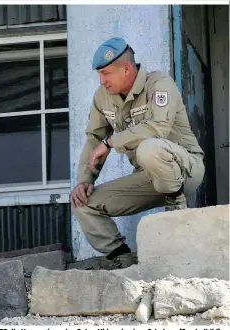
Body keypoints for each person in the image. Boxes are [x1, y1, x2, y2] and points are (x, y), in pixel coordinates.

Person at [71, 37, 205, 268]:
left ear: (127, 68)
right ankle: (123, 258)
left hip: (185, 169)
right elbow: (94, 138)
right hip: (147, 177)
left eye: (106, 73)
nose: (102, 81)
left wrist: (111, 142)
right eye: (99, 75)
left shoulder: (159, 84)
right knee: (82, 202)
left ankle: (176, 205)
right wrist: (84, 180)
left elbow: (158, 127)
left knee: (149, 147)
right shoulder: (102, 98)